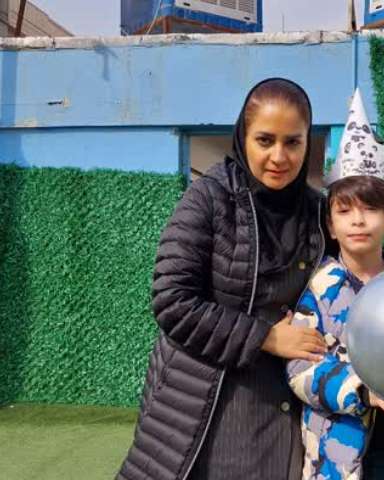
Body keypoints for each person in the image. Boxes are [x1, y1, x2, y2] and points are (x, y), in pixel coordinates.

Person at [117, 78, 333, 480]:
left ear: (307, 144)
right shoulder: (209, 198)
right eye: (265, 140)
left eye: (292, 142)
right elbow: (172, 300)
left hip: (289, 399)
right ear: (243, 137)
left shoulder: (318, 214)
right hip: (208, 395)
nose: (279, 156)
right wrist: (267, 337)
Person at [286, 89, 384, 480]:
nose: (358, 220)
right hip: (340, 454)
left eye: (370, 209)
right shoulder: (319, 289)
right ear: (331, 225)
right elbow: (300, 368)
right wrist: (360, 389)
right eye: (345, 210)